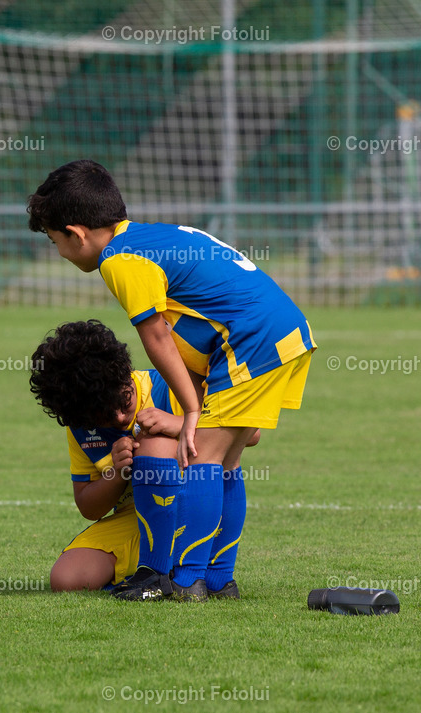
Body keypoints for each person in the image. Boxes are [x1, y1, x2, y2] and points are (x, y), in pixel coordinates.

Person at [28, 160, 315, 601]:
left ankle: (184, 580)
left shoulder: (118, 260)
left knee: (205, 460)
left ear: (77, 233)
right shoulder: (149, 237)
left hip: (249, 342)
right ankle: (218, 580)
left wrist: (192, 410)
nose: (62, 254)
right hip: (281, 333)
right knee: (227, 461)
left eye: (56, 242)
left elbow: (156, 333)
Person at [30, 320, 255, 599]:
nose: (121, 419)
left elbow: (252, 433)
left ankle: (160, 573)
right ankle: (159, 568)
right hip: (136, 519)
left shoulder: (170, 384)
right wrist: (117, 472)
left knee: (154, 445)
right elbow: (89, 507)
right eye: (103, 418)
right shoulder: (81, 427)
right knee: (66, 578)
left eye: (125, 403)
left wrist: (179, 424)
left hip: (191, 510)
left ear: (125, 373)